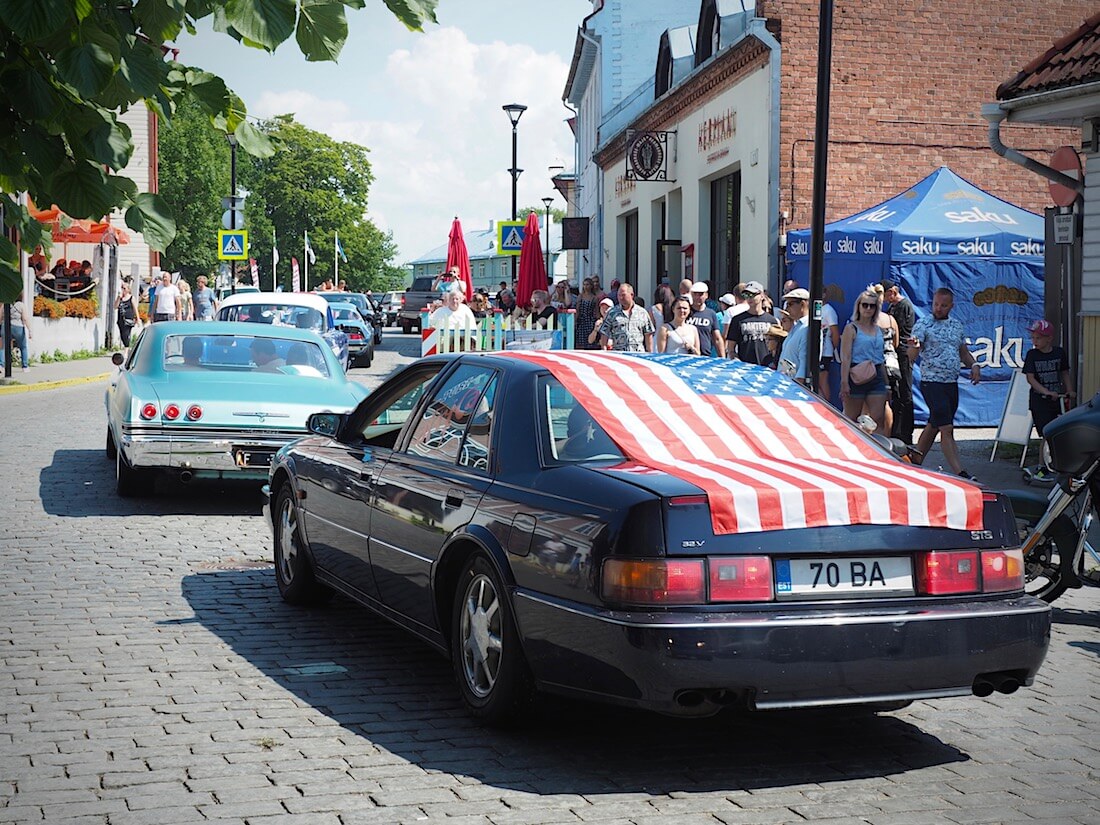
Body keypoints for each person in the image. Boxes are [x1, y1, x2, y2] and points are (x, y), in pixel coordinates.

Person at [907, 287, 981, 479]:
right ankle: (960, 472)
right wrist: (914, 348)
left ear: (951, 306)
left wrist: (974, 365)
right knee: (946, 428)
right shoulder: (923, 324)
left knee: (934, 424)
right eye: (936, 304)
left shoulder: (956, 326)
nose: (938, 308)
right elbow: (912, 355)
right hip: (932, 382)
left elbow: (963, 352)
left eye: (943, 305)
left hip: (950, 382)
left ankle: (913, 462)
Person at [1023, 319, 1075, 481]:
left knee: (1060, 432)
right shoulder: (1032, 355)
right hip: (1040, 401)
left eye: (1038, 338)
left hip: (1057, 401)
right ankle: (1041, 467)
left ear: (1049, 339)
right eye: (1033, 338)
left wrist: (1069, 390)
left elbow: (1064, 372)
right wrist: (1045, 391)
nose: (1034, 341)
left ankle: (1060, 465)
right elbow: (1030, 378)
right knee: (1047, 433)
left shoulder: (1059, 353)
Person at [839, 290, 889, 434]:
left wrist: (887, 384)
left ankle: (878, 452)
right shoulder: (851, 328)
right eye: (865, 305)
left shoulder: (879, 330)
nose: (868, 309)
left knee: (877, 420)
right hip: (856, 374)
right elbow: (846, 357)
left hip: (877, 374)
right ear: (858, 306)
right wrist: (844, 382)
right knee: (851, 419)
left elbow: (882, 357)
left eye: (872, 306)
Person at [882, 279, 916, 443]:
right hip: (894, 353)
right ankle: (897, 429)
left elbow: (900, 331)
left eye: (886, 294)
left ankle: (906, 432)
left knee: (905, 392)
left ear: (893, 292)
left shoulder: (904, 306)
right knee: (896, 392)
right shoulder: (892, 306)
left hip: (902, 352)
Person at [725, 281, 778, 366]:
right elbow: (731, 347)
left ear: (761, 296)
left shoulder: (772, 321)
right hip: (745, 368)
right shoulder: (737, 320)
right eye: (746, 295)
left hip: (767, 368)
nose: (749, 298)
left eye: (752, 294)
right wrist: (736, 360)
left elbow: (776, 347)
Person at [871, 283, 901, 434]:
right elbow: (895, 343)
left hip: (874, 364)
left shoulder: (869, 320)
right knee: (887, 403)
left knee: (870, 402)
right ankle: (886, 437)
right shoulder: (890, 319)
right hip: (891, 364)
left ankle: (872, 437)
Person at [599, 283, 654, 352]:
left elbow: (648, 334)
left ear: (632, 295)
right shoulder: (612, 313)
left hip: (638, 354)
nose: (620, 298)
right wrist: (604, 350)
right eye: (619, 295)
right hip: (619, 355)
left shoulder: (642, 313)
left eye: (623, 295)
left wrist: (650, 352)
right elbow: (604, 333)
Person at [777, 287, 810, 385]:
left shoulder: (807, 328)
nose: (787, 308)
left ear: (803, 304)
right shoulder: (796, 327)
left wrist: (798, 385)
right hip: (785, 382)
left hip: (794, 385)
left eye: (790, 304)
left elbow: (804, 360)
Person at [683, 281, 725, 357]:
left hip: (705, 356)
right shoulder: (685, 312)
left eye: (700, 294)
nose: (697, 297)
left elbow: (717, 338)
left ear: (706, 295)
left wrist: (722, 358)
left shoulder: (711, 314)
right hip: (685, 355)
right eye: (695, 294)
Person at [817, 283, 843, 407]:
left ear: (824, 294)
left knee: (823, 379)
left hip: (825, 351)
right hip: (814, 350)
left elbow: (835, 333)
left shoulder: (829, 310)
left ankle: (826, 407)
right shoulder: (814, 309)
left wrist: (833, 349)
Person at [1, 290, 33, 371]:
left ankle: (1, 364)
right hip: (18, 327)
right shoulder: (21, 305)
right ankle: (25, 366)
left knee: (3, 347)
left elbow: (0, 316)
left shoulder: (5, 304)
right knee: (23, 347)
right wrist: (30, 330)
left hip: (6, 326)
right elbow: (25, 319)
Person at [574, 277, 600, 349]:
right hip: (581, 321)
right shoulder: (580, 296)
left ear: (591, 286)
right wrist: (575, 320)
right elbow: (577, 309)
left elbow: (596, 311)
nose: (585, 286)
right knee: (580, 343)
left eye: (587, 284)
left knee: (590, 342)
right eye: (584, 284)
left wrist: (599, 320)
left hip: (590, 321)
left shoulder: (594, 298)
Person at [115, 283, 138, 349]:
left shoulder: (131, 298)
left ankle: (126, 348)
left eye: (124, 288)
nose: (123, 290)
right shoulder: (120, 298)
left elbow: (135, 308)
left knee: (126, 334)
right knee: (122, 334)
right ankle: (127, 347)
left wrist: (137, 318)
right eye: (122, 288)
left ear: (128, 290)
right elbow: (115, 306)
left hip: (128, 319)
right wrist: (118, 298)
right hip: (121, 319)